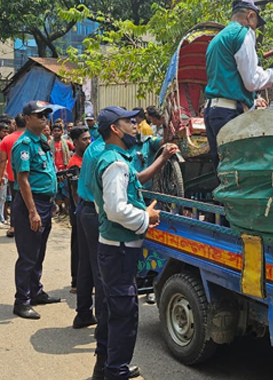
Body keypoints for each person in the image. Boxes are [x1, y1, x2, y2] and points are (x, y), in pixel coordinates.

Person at [87, 106, 176, 380]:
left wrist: (161, 158)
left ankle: (104, 368)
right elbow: (115, 209)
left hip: (114, 248)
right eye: (129, 121)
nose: (136, 124)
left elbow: (125, 190)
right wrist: (145, 216)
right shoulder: (114, 162)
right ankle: (115, 371)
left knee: (112, 311)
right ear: (115, 128)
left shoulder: (113, 158)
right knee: (124, 316)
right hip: (119, 250)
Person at [204, 0, 273, 169]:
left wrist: (252, 101)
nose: (254, 27)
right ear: (250, 16)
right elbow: (252, 82)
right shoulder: (242, 33)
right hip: (228, 113)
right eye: (255, 23)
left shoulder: (218, 39)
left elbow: (228, 80)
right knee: (240, 169)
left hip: (213, 111)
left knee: (224, 170)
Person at [10, 101, 61, 320]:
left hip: (44, 203)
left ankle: (35, 291)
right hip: (30, 204)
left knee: (39, 252)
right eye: (39, 115)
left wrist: (52, 200)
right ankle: (21, 301)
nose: (44, 119)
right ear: (27, 118)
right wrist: (33, 211)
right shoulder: (24, 145)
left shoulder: (41, 142)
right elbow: (23, 180)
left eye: (46, 115)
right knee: (28, 255)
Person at [66, 126, 90, 296]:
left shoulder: (87, 159)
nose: (88, 142)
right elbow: (75, 193)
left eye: (89, 138)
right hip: (79, 210)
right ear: (75, 143)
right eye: (84, 139)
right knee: (78, 246)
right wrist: (79, 213)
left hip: (83, 210)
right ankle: (76, 280)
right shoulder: (74, 163)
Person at [0, 114, 26, 238]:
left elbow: (3, 160)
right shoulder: (33, 138)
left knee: (15, 202)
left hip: (13, 177)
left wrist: (0, 177)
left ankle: (13, 226)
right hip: (31, 177)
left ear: (15, 124)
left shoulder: (7, 139)